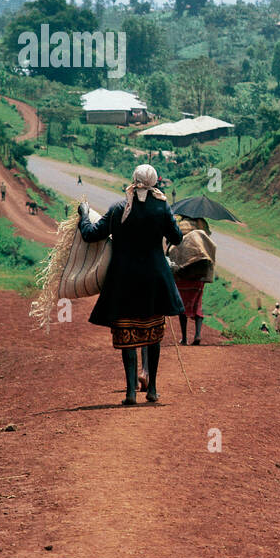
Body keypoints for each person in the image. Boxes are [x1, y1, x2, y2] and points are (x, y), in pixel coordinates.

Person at [77, 164, 184, 405]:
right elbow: (177, 237)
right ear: (155, 182)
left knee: (128, 333)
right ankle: (153, 389)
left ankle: (130, 392)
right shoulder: (162, 207)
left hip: (123, 280)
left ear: (133, 181)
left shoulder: (118, 208)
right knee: (153, 334)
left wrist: (83, 214)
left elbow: (91, 234)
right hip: (155, 280)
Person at [167, 215, 216, 346]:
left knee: (182, 307)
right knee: (197, 305)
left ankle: (184, 338)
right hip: (198, 278)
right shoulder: (200, 229)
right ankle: (198, 334)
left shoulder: (180, 224)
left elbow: (170, 247)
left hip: (182, 278)